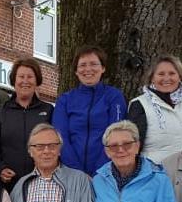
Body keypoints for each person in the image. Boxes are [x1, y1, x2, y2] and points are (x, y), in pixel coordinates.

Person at [52, 46, 127, 175]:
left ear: (103, 68)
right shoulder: (65, 100)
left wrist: (99, 172)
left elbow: (116, 135)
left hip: (107, 172)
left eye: (93, 64)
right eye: (82, 65)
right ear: (76, 71)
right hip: (71, 173)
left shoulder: (114, 96)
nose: (88, 69)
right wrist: (77, 174)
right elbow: (60, 137)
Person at [0, 58, 54, 189]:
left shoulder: (48, 110)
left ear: (36, 80)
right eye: (21, 77)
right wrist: (1, 168)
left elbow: (55, 145)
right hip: (8, 185)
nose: (25, 81)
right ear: (14, 81)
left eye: (30, 77)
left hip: (41, 183)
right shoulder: (0, 112)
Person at [127, 55, 182, 165]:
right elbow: (133, 147)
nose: (166, 78)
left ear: (180, 77)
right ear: (152, 78)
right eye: (161, 74)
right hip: (154, 172)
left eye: (172, 73)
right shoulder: (140, 105)